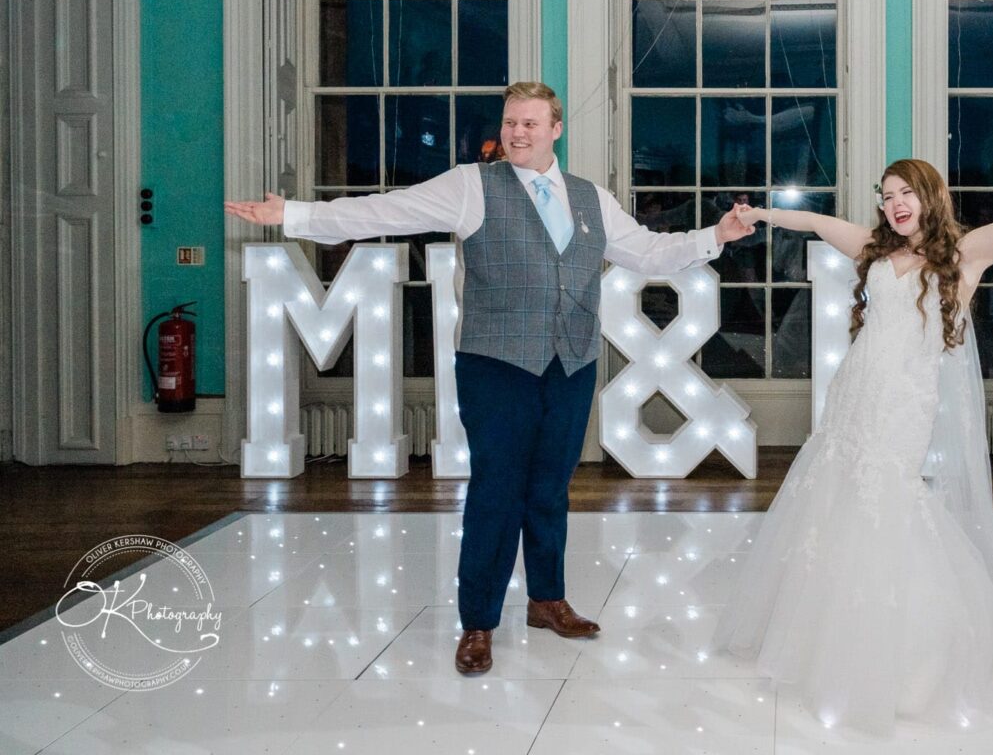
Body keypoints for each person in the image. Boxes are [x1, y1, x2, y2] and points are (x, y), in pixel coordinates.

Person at [225, 81, 754, 674]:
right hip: (495, 364)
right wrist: (293, 214)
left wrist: (715, 237)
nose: (517, 133)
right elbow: (386, 210)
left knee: (550, 488)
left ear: (555, 130)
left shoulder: (592, 198)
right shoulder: (471, 186)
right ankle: (478, 622)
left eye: (530, 123)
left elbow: (648, 253)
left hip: (572, 363)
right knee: (496, 491)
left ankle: (547, 600)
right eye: (509, 123)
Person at [713, 144, 993, 733]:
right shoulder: (874, 249)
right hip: (852, 396)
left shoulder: (965, 254)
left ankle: (908, 654)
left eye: (906, 193)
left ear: (929, 196)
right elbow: (813, 221)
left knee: (887, 505)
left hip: (901, 407)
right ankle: (830, 635)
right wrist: (760, 215)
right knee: (835, 505)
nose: (895, 204)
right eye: (887, 196)